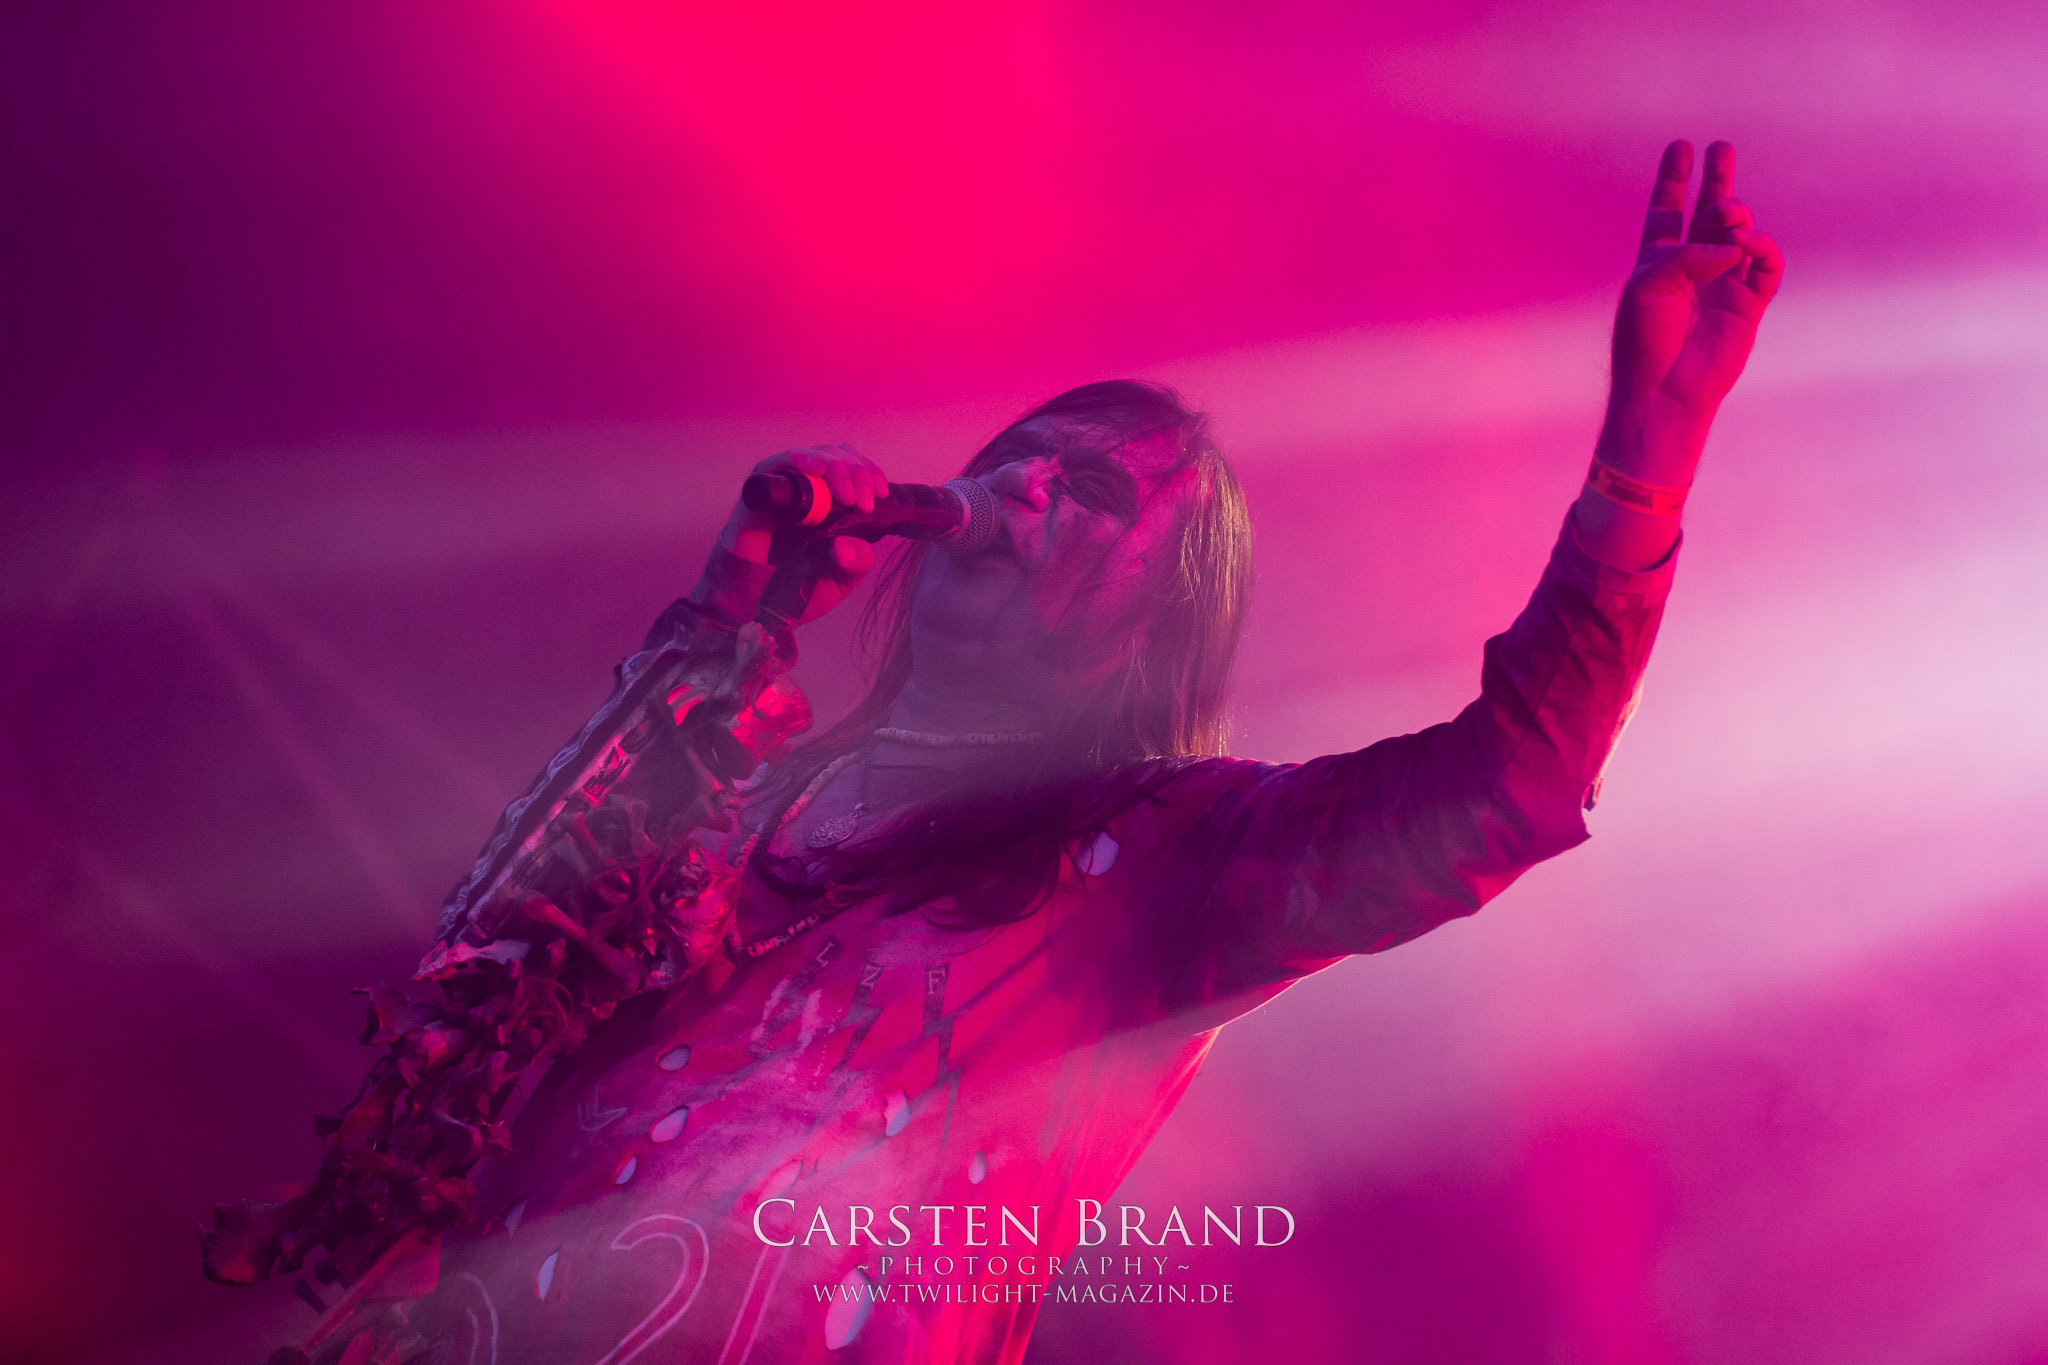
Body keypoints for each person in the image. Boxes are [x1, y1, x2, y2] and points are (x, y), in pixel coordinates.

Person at [208, 139, 1782, 1364]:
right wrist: (731, 613)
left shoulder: (1156, 862)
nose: (1022, 488)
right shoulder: (752, 796)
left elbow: (1509, 783)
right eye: (1018, 458)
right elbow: (479, 989)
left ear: (1160, 620)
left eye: (1090, 493)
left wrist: (1645, 460)